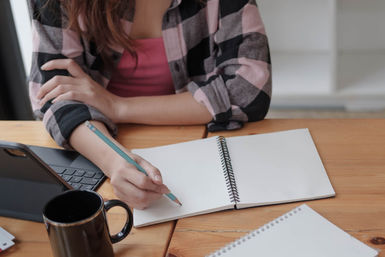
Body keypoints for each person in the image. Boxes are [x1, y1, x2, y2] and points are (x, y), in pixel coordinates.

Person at [28, 0, 271, 209]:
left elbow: (249, 90)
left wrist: (117, 106)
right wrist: (115, 161)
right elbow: (53, 95)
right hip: (104, 147)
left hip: (201, 142)